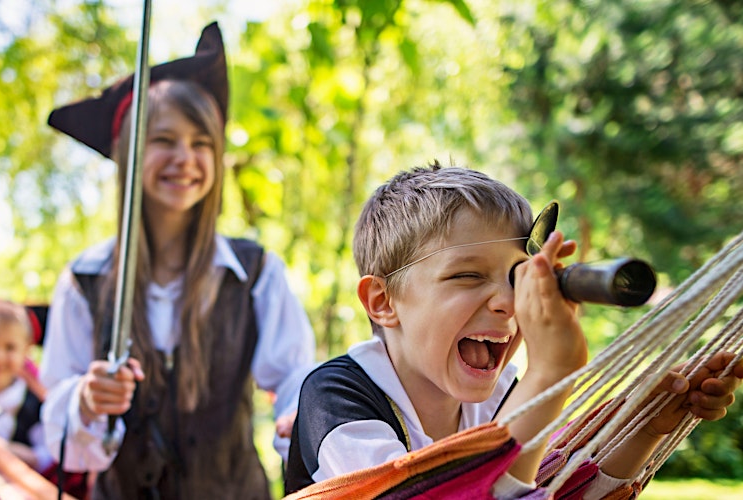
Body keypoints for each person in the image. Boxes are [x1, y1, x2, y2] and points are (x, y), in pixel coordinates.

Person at [284, 163, 743, 498]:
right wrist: (549, 375)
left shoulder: (503, 395)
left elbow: (546, 491)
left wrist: (646, 427)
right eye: (467, 276)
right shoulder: (335, 397)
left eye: (518, 278)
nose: (508, 302)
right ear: (384, 302)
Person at [39, 22, 317, 499]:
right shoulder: (86, 280)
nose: (184, 158)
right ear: (129, 152)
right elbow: (59, 431)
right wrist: (86, 403)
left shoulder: (255, 274)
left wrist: (300, 419)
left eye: (202, 143)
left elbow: (295, 378)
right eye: (164, 140)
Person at [0, 300, 89, 498]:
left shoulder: (36, 400)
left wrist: (29, 457)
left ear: (26, 351)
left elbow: (52, 450)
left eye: (10, 347)